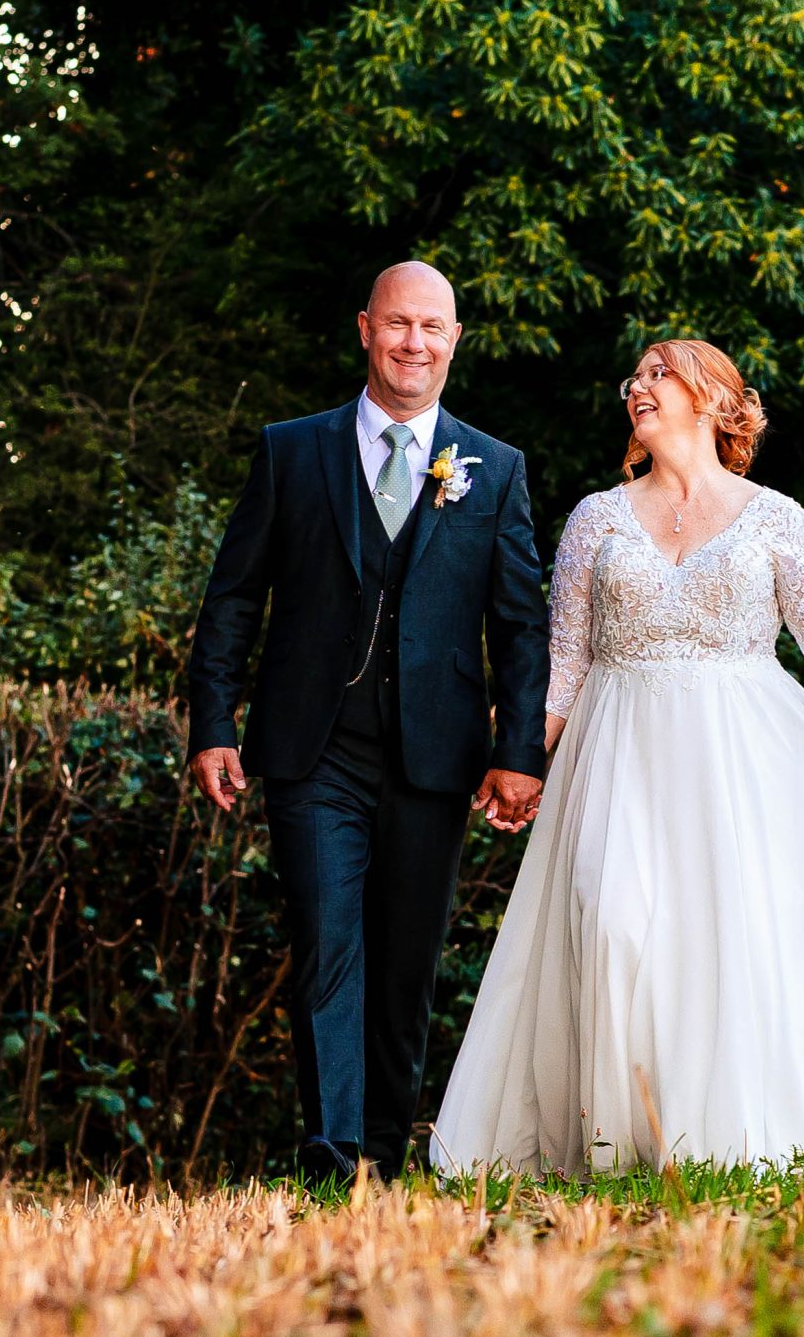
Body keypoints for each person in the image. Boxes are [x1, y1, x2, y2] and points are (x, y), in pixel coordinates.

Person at [430, 339, 804, 1177]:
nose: (639, 386)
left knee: (726, 940)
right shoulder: (597, 518)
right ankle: (618, 1137)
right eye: (634, 375)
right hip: (620, 755)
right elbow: (567, 659)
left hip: (734, 766)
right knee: (611, 917)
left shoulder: (775, 516)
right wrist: (518, 758)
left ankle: (715, 1145)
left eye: (659, 372)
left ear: (714, 397)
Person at [185, 262, 551, 1182]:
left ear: (455, 339)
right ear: (364, 329)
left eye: (432, 327)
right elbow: (232, 597)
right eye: (397, 324)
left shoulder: (494, 470)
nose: (413, 343)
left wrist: (517, 756)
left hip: (435, 757)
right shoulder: (291, 450)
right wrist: (211, 722)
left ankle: (383, 1156)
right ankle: (331, 1151)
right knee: (325, 944)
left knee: (405, 967)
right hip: (313, 751)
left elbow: (520, 622)